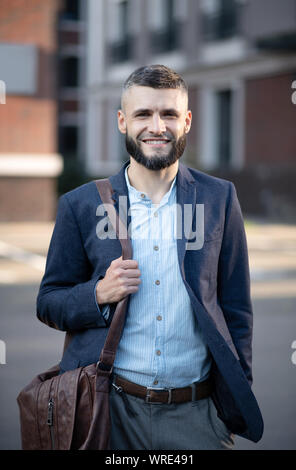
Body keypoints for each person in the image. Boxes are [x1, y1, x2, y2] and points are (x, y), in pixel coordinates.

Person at [37, 64, 263, 450]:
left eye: (169, 114)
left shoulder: (219, 199)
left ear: (187, 120)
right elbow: (49, 301)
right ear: (123, 121)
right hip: (110, 413)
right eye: (143, 114)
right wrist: (98, 294)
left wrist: (230, 397)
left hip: (198, 416)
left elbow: (236, 306)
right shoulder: (80, 205)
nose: (156, 126)